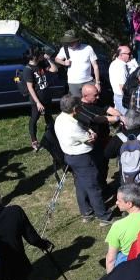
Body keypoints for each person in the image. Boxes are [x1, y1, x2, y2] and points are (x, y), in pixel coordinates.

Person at [56, 95, 112, 225]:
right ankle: (103, 216)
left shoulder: (60, 118)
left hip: (69, 156)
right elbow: (90, 138)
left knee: (80, 184)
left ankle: (86, 212)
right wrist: (93, 134)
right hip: (82, 158)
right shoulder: (73, 127)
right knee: (93, 187)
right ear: (75, 109)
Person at [104, 183, 140, 272]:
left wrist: (110, 279)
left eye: (118, 200)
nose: (116, 203)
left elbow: (111, 259)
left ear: (129, 204)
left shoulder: (118, 226)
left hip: (131, 261)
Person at [55, 29, 101, 96]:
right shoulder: (64, 49)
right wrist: (64, 63)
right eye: (67, 42)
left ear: (77, 40)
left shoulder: (88, 48)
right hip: (73, 83)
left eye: (71, 42)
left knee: (91, 102)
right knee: (76, 103)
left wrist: (97, 83)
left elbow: (95, 66)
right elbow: (56, 59)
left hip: (88, 81)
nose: (69, 44)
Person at [108, 45, 138, 115]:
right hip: (122, 97)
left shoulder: (115, 63)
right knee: (127, 119)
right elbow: (122, 86)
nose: (130, 56)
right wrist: (128, 100)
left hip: (118, 96)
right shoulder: (120, 67)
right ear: (121, 55)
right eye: (128, 54)